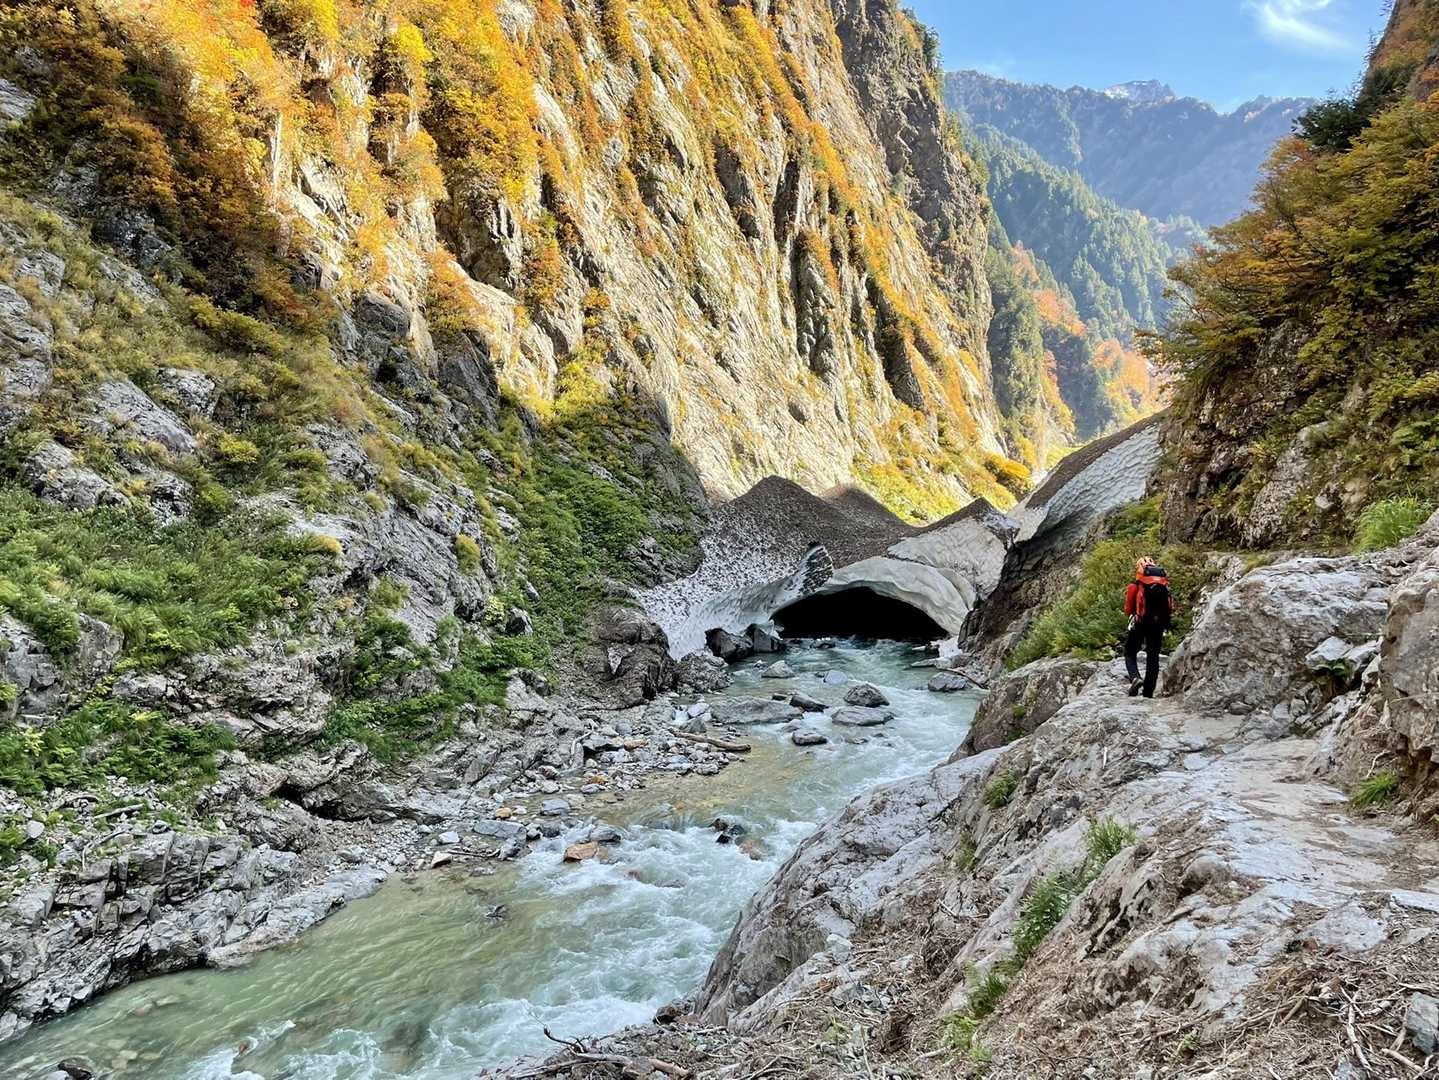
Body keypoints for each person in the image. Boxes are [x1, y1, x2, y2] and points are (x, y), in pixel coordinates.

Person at [1124, 556, 1173, 698]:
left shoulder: (1135, 586)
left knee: (1130, 652)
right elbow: (1170, 606)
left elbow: (1128, 609)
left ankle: (1135, 677)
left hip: (1140, 623)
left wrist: (1133, 613)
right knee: (1153, 657)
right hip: (1158, 625)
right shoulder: (1163, 585)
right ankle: (1148, 693)